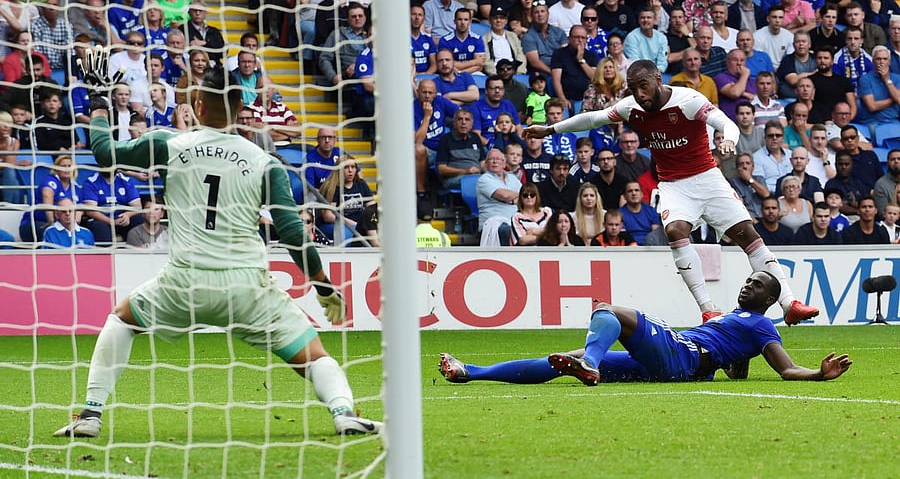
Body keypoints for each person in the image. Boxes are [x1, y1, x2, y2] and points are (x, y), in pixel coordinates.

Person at [53, 56, 381, 439]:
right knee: (314, 356)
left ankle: (90, 414)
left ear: (197, 105)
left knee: (121, 321)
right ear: (241, 108)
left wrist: (97, 103)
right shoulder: (265, 162)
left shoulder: (170, 143)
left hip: (184, 283)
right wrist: (323, 286)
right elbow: (293, 233)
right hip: (247, 289)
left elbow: (105, 153)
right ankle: (343, 412)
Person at [524, 60, 819, 324]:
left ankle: (789, 303)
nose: (640, 94)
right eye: (633, 88)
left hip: (708, 179)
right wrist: (549, 130)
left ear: (657, 80)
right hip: (674, 186)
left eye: (644, 86)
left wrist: (728, 140)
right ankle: (708, 309)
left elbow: (725, 123)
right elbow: (593, 118)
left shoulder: (688, 101)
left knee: (749, 236)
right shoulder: (631, 107)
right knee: (675, 230)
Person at [439, 271, 851, 386]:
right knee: (563, 360)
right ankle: (469, 372)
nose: (747, 285)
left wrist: (818, 374)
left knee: (609, 311)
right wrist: (731, 360)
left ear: (769, 299)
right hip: (680, 363)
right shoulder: (737, 321)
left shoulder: (762, 326)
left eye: (757, 285)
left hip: (682, 354)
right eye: (747, 280)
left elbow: (785, 368)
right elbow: (735, 367)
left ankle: (592, 363)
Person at [476, 148, 521, 245]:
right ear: (486, 164)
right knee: (510, 231)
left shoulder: (513, 178)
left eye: (498, 159)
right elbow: (504, 195)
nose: (495, 161)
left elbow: (525, 195)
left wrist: (512, 200)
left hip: (515, 220)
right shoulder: (484, 179)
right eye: (491, 159)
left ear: (504, 163)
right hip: (493, 224)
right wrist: (515, 196)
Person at [753, 121, 792, 193]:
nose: (774, 138)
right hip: (770, 196)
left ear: (783, 138)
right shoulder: (756, 157)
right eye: (770, 135)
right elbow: (760, 184)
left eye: (778, 135)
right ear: (765, 137)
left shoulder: (791, 155)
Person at [730, 153, 770, 222]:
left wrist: (749, 179)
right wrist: (752, 220)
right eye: (741, 164)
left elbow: (766, 194)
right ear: (737, 168)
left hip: (765, 218)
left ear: (753, 167)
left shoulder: (759, 179)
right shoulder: (733, 183)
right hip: (748, 220)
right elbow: (739, 206)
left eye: (747, 163)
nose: (745, 166)